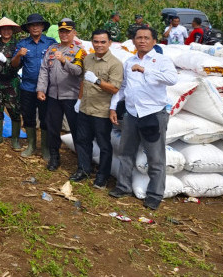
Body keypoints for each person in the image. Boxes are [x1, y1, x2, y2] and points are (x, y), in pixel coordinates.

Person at [109, 26, 177, 210]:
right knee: (126, 152)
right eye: (139, 37)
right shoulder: (129, 61)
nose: (142, 41)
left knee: (155, 157)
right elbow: (122, 88)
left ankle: (154, 195)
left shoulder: (161, 60)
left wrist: (145, 70)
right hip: (131, 114)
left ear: (154, 41)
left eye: (147, 38)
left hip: (153, 114)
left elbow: (172, 79)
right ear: (133, 41)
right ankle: (123, 187)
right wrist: (113, 107)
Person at [70, 30, 123, 188]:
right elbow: (83, 82)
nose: (99, 45)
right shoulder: (88, 59)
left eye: (102, 42)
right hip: (85, 108)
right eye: (96, 41)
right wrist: (79, 100)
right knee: (82, 141)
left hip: (101, 111)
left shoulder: (115, 64)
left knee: (103, 144)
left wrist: (98, 81)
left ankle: (102, 176)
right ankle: (84, 169)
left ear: (109, 43)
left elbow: (114, 88)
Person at [36, 19, 85, 170]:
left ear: (74, 33)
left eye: (67, 31)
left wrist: (64, 61)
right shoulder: (52, 49)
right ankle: (54, 158)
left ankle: (82, 163)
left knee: (76, 129)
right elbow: (44, 70)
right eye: (61, 31)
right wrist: (41, 89)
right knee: (53, 128)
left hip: (71, 96)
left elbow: (78, 72)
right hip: (53, 96)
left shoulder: (79, 51)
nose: (64, 34)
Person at [11, 13, 54, 159]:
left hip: (46, 88)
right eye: (32, 25)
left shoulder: (50, 43)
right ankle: (31, 145)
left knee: (45, 118)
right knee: (28, 117)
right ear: (28, 28)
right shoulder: (23, 44)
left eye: (38, 25)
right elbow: (14, 65)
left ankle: (46, 149)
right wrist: (18, 56)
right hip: (28, 87)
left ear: (42, 27)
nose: (35, 27)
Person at [0, 17, 22, 150]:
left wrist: (6, 61)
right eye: (4, 29)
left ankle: (15, 139)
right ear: (0, 30)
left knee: (14, 110)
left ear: (13, 30)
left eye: (9, 29)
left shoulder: (17, 45)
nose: (6, 31)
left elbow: (18, 64)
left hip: (11, 82)